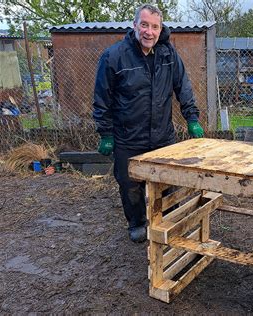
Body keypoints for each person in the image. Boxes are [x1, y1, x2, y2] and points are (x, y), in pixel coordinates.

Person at [92, 4, 204, 243]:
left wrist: (192, 118)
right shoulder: (114, 57)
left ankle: (167, 222)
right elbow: (102, 98)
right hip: (128, 137)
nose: (149, 32)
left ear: (160, 28)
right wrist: (106, 134)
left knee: (166, 181)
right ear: (134, 26)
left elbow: (182, 87)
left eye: (155, 27)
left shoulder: (168, 54)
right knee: (129, 184)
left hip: (163, 136)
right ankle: (137, 223)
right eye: (144, 25)